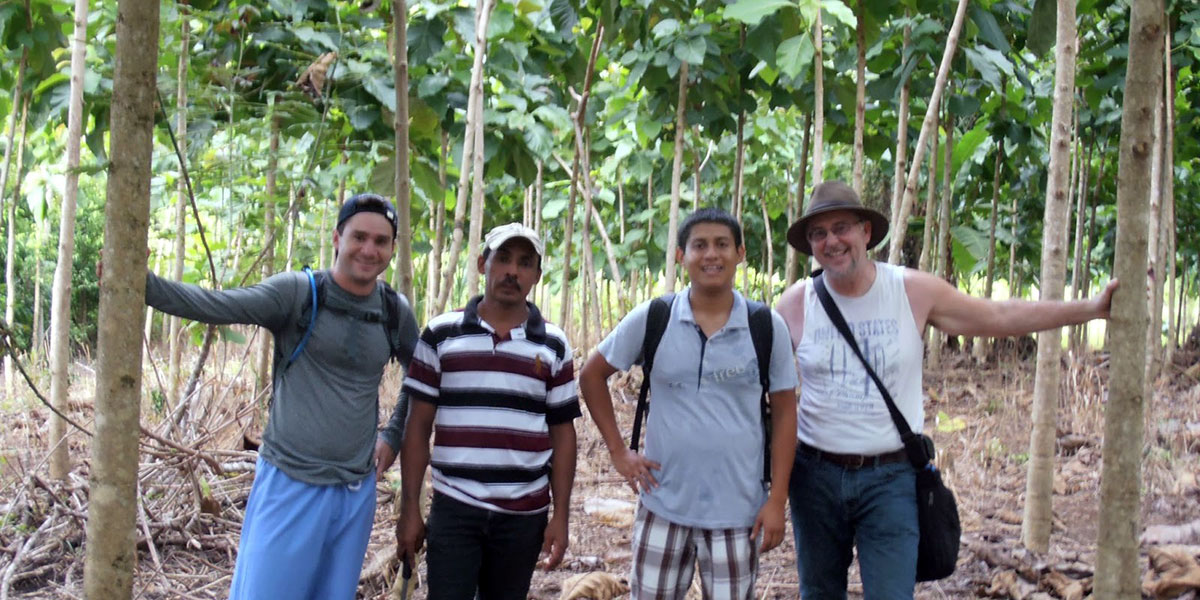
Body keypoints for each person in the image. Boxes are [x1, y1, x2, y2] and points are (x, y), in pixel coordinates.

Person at [775, 180, 1117, 599]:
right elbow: (755, 383)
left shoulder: (910, 291)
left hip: (890, 477)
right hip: (816, 479)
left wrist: (1090, 309)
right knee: (818, 593)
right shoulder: (794, 304)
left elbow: (997, 315)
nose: (832, 241)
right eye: (819, 234)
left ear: (866, 232)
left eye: (841, 227)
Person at [141, 193, 419, 600]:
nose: (369, 249)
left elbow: (422, 376)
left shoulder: (395, 310)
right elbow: (217, 305)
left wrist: (393, 434)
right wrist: (142, 284)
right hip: (290, 484)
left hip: (355, 494)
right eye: (359, 236)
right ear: (338, 237)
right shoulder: (299, 294)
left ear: (393, 248)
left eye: (381, 241)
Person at [578, 208, 799, 600]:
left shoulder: (765, 326)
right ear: (681, 256)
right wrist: (618, 452)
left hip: (739, 512)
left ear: (740, 253)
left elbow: (784, 412)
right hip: (663, 505)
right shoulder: (655, 317)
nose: (711, 254)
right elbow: (592, 375)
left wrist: (777, 498)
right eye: (699, 245)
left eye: (721, 245)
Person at [397, 223, 580, 600]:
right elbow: (418, 427)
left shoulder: (553, 344)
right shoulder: (441, 335)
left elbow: (563, 435)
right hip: (455, 507)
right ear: (483, 264)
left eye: (525, 263)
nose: (512, 271)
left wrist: (560, 517)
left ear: (537, 276)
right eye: (503, 259)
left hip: (524, 514)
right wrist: (409, 510)